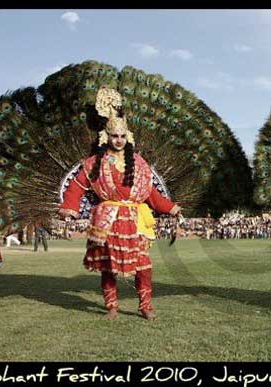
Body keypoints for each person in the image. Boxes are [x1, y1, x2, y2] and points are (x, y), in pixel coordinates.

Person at [58, 88, 181, 321]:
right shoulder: (94, 163)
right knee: (108, 267)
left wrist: (170, 207)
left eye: (122, 136)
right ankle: (112, 307)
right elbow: (77, 185)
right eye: (115, 136)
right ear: (106, 137)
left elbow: (150, 193)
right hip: (108, 220)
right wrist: (70, 208)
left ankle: (145, 305)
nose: (119, 140)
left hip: (136, 221)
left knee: (143, 266)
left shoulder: (140, 164)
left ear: (128, 137)